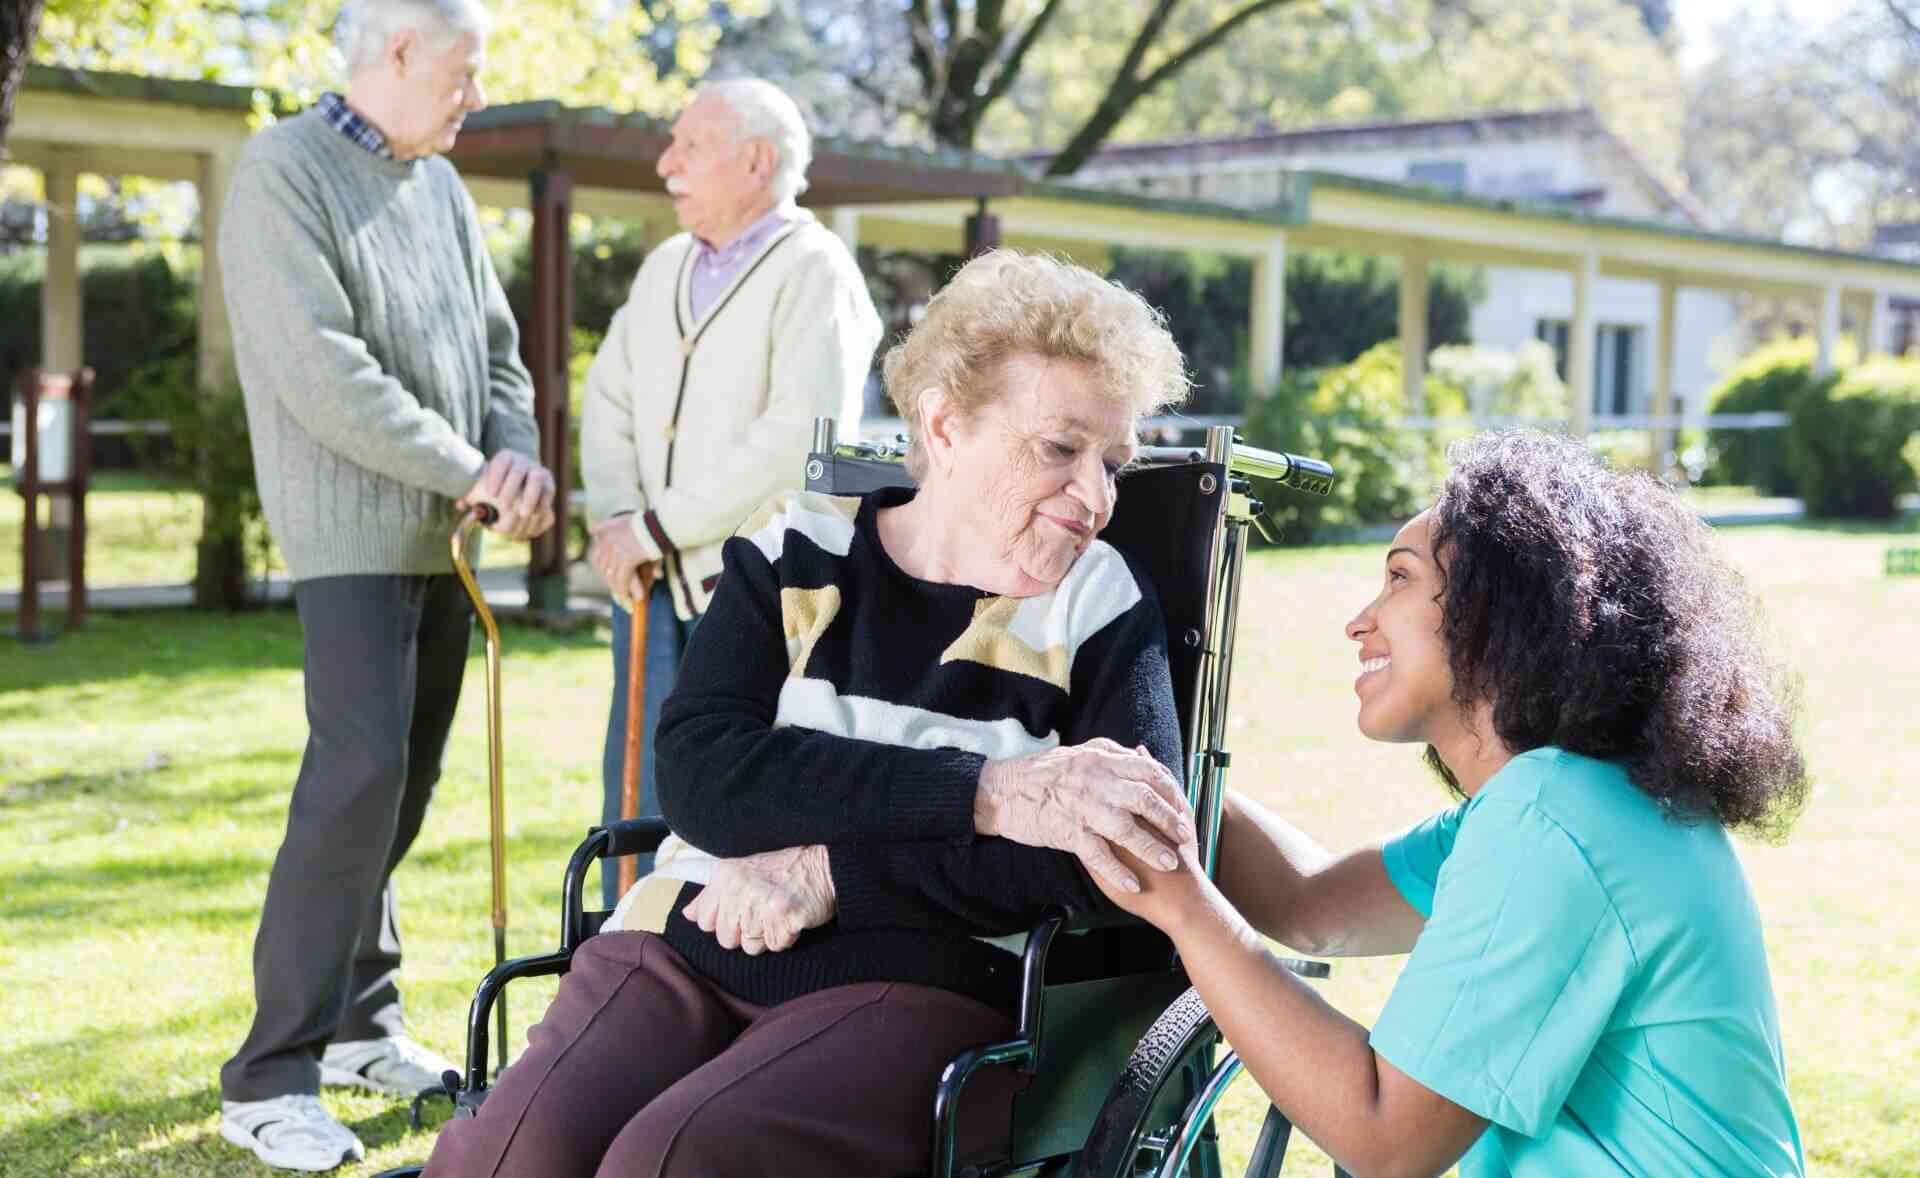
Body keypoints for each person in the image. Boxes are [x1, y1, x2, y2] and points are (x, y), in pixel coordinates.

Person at [423, 251, 1199, 1177]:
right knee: (509, 1158)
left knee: (677, 1160)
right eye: (1060, 449)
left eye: (1113, 461)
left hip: (919, 973)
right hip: (687, 929)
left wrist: (838, 874)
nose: (1097, 497)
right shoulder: (795, 547)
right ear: (944, 426)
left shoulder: (1099, 602)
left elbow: (1111, 844)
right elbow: (708, 777)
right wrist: (985, 790)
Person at [1084, 430, 1810, 1177]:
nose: (1359, 620)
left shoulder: (1556, 820)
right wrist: (1144, 772)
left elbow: (1385, 1138)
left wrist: (1181, 904)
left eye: (1399, 577)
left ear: (1498, 612)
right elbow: (1311, 903)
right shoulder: (1581, 799)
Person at [214, 1, 556, 1170]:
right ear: (397, 53)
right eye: (463, 73)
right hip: (351, 533)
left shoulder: (441, 189)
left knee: (400, 788)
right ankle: (267, 1076)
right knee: (356, 778)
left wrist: (511, 453)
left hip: (443, 536)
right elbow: (321, 368)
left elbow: (498, 352)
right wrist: (472, 466)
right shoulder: (281, 170)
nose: (474, 95)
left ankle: (364, 1020)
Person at [580, 78, 884, 908]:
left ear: (755, 161)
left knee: (735, 795)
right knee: (635, 780)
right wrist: (617, 522)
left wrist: (654, 527)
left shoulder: (817, 271)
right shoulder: (664, 267)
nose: (666, 163)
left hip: (752, 587)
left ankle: (718, 962)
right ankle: (620, 960)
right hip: (644, 573)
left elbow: (796, 437)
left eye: (689, 146)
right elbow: (607, 397)